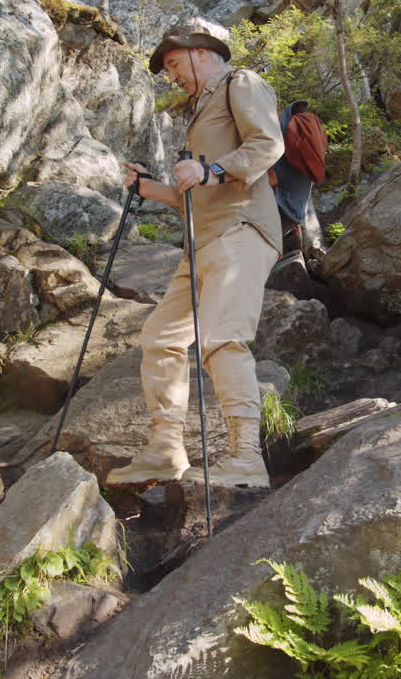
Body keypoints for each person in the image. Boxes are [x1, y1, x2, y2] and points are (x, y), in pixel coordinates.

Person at [105, 26, 284, 489]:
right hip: (201, 240)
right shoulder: (200, 108)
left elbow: (268, 145)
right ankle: (165, 451)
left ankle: (245, 456)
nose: (173, 76)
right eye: (167, 70)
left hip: (241, 230)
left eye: (175, 65)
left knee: (223, 337)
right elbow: (193, 194)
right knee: (160, 337)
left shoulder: (239, 83)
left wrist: (212, 169)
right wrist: (149, 188)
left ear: (201, 53)